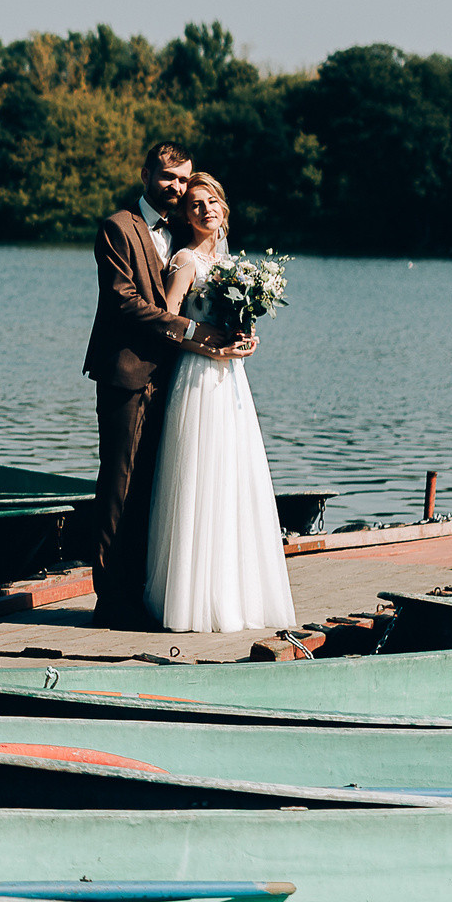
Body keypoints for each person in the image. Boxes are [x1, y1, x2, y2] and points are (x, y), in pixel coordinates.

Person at [80, 141, 243, 629]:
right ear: (147, 173)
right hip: (126, 376)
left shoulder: (182, 231)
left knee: (155, 488)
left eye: (182, 178)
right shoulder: (117, 227)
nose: (175, 186)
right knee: (118, 487)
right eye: (168, 177)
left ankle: (144, 592)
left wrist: (237, 331)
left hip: (174, 381)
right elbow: (123, 303)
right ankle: (110, 600)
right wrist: (196, 334)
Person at [141, 173, 296, 633]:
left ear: (223, 209)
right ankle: (191, 599)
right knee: (199, 479)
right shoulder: (186, 261)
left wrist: (248, 340)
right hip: (198, 380)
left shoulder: (233, 264)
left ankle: (232, 594)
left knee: (232, 481)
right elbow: (165, 323)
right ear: (185, 217)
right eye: (194, 205)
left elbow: (233, 326)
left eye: (211, 202)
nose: (204, 210)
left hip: (232, 382)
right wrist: (206, 347)